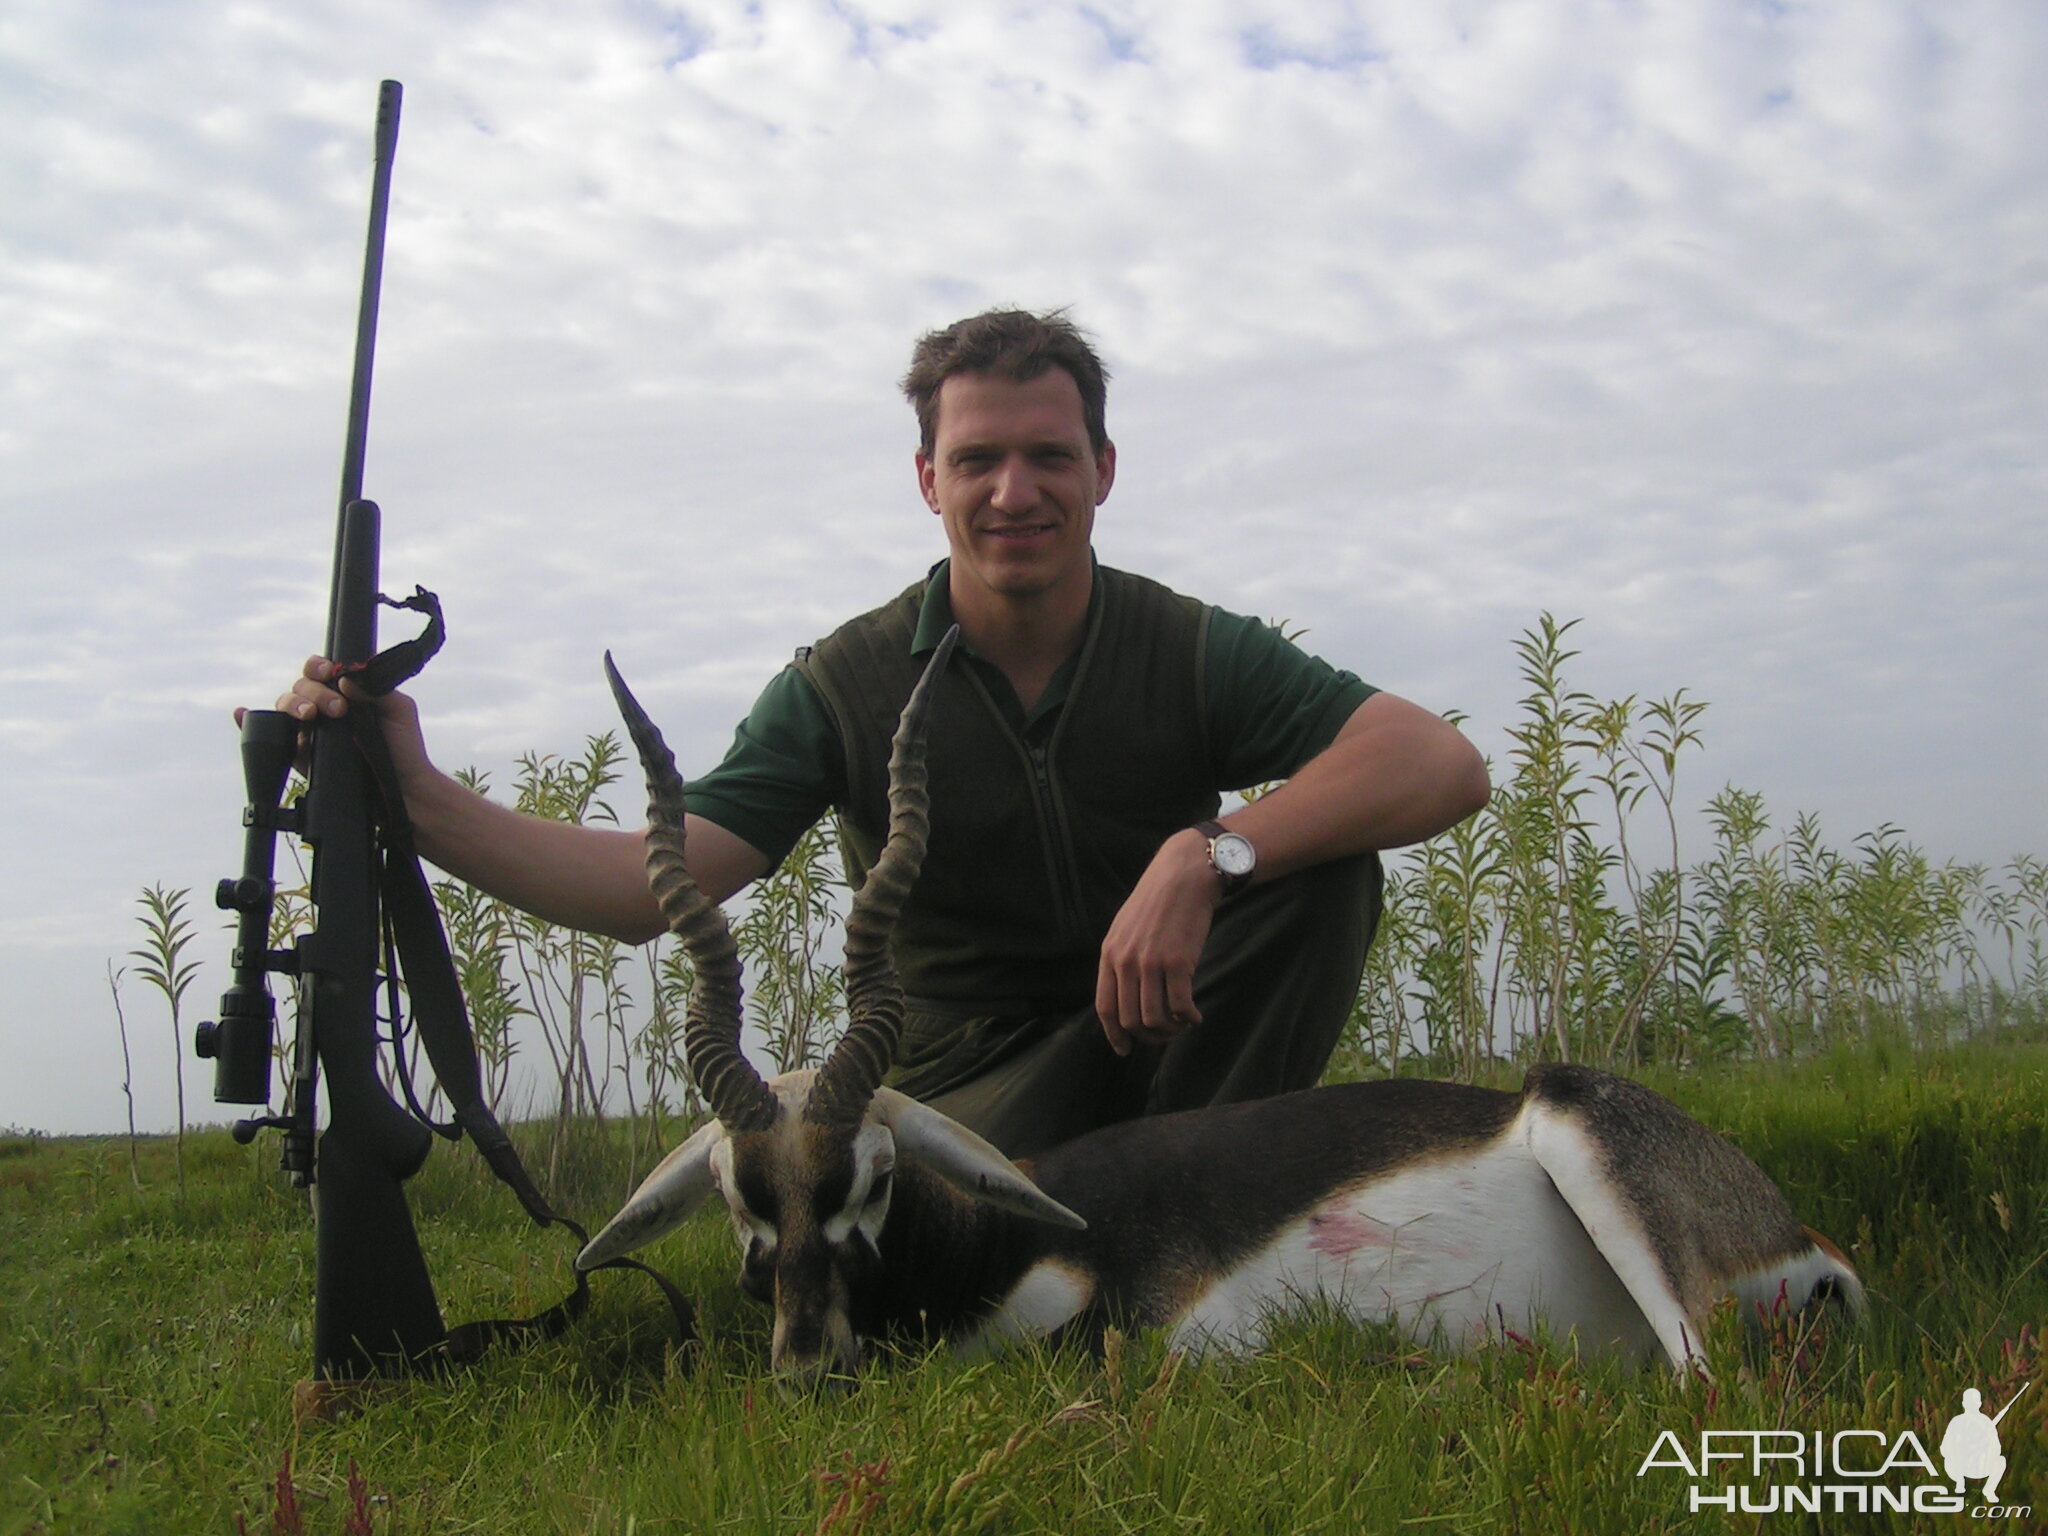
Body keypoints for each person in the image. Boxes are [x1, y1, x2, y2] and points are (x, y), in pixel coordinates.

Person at [259, 309, 1489, 1156]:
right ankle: (1108, 1223)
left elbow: (1437, 762)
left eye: (1048, 456)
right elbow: (654, 892)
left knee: (1316, 872)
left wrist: (1205, 853)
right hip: (961, 1103)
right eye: (979, 459)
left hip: (1169, 1056)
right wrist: (415, 797)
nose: (1015, 491)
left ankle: (1188, 1206)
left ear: (1104, 469)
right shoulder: (841, 683)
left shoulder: (1185, 646)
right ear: (927, 480)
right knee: (885, 1176)